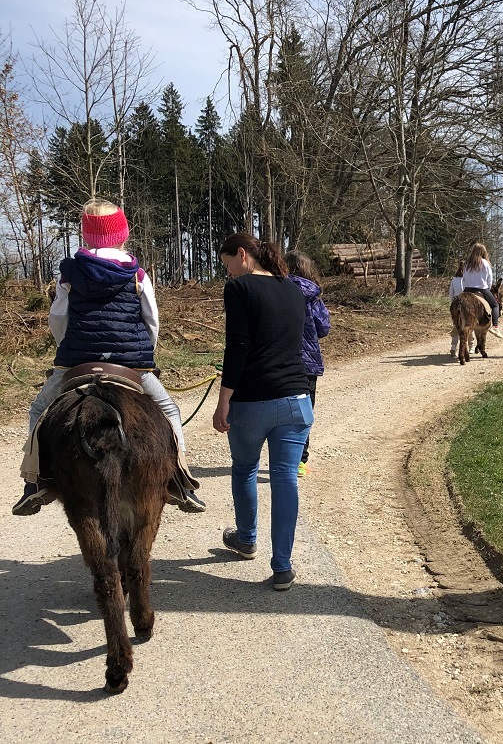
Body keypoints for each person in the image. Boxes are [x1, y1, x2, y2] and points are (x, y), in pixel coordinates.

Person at [13, 199, 204, 516]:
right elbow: (151, 321)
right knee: (169, 408)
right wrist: (144, 355)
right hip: (131, 365)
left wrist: (68, 349)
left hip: (78, 362)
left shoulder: (69, 274)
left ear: (86, 236)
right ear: (122, 234)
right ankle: (179, 479)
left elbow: (58, 319)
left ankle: (35, 483)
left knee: (39, 410)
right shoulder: (137, 275)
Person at [214, 233, 315, 591]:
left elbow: (238, 346)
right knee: (285, 477)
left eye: (228, 265)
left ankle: (246, 538)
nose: (228, 274)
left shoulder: (239, 290)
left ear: (243, 255)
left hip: (253, 400)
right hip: (297, 399)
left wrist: (224, 398)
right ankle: (283, 567)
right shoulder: (292, 288)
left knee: (244, 468)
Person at [285, 250, 331, 475]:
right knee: (304, 411)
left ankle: (282, 456)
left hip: (281, 359)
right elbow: (324, 329)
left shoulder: (276, 289)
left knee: (282, 409)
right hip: (307, 362)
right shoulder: (313, 296)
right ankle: (300, 461)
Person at [461, 243, 502, 337]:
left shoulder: (466, 263)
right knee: (495, 305)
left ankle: (455, 326)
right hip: (481, 289)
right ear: (483, 252)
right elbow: (489, 278)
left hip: (467, 289)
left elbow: (464, 278)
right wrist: (487, 287)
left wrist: (465, 288)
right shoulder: (485, 263)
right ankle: (495, 327)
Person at [448, 261, 476, 357]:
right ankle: (471, 346)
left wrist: (453, 304)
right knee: (469, 325)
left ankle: (453, 347)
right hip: (467, 301)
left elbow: (451, 294)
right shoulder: (468, 279)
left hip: (456, 302)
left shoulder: (454, 279)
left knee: (457, 325)